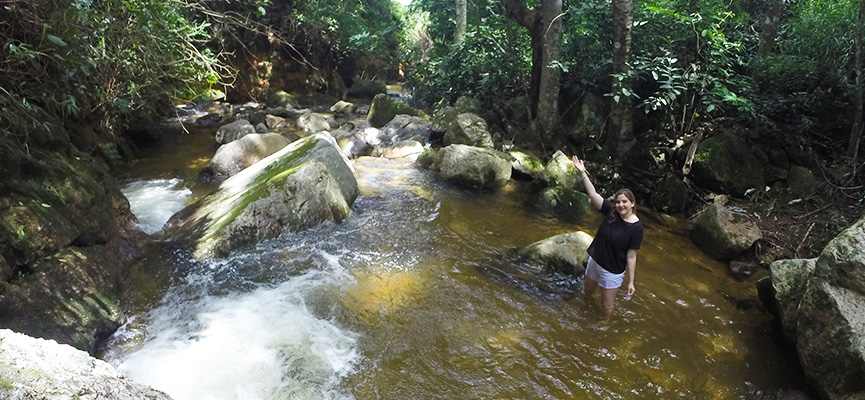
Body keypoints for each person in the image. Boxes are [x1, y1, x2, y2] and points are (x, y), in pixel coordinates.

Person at [571, 155, 644, 317]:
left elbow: (631, 256)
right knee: (587, 293)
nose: (620, 205)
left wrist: (631, 281)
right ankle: (582, 314)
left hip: (612, 271)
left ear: (632, 203)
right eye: (618, 202)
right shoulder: (611, 212)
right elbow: (593, 194)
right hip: (595, 261)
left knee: (606, 304)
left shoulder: (637, 228)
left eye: (624, 202)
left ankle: (605, 325)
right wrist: (582, 172)